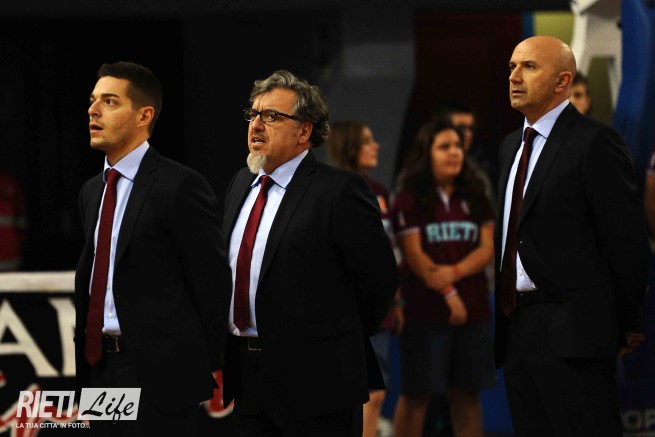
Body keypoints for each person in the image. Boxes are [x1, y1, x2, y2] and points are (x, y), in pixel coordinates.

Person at [221, 70, 398, 436]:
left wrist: (334, 341)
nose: (256, 124)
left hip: (318, 381)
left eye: (271, 116)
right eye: (253, 114)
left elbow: (379, 281)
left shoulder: (339, 191)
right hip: (248, 376)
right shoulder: (241, 183)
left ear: (304, 131)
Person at [496, 36, 650, 436]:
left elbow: (626, 240)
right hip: (517, 329)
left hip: (576, 332)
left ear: (563, 81)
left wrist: (629, 321)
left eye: (529, 67)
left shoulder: (595, 141)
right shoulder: (510, 146)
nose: (514, 77)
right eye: (512, 67)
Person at [74, 61, 232, 436]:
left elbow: (212, 280)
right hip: (101, 367)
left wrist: (204, 362)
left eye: (110, 101)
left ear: (144, 115)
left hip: (160, 376)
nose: (93, 110)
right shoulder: (92, 191)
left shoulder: (180, 185)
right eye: (93, 100)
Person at [391, 118, 496, 437]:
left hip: (474, 310)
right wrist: (450, 293)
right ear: (427, 153)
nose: (454, 153)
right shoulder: (409, 197)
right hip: (425, 311)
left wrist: (453, 272)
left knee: (467, 396)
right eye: (444, 147)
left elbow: (487, 248)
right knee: (417, 396)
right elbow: (415, 257)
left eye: (458, 147)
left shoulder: (476, 194)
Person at [325, 119, 404, 437]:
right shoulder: (330, 189)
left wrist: (396, 301)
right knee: (350, 398)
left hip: (379, 313)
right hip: (342, 312)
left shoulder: (380, 191)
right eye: (368, 141)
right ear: (350, 147)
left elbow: (390, 252)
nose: (376, 146)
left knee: (375, 395)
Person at [0, 170, 26, 271]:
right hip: (11, 241)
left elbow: (21, 219)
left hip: (10, 244)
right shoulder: (10, 183)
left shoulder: (9, 183)